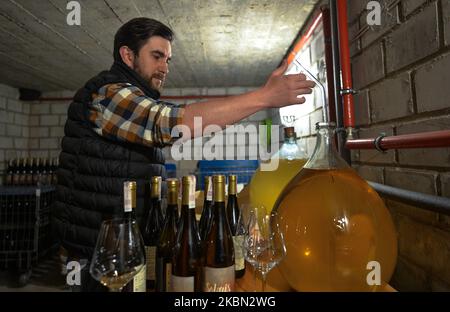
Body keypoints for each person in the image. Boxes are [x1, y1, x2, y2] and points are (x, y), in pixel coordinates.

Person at [53, 17, 315, 291]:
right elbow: (169, 122)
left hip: (125, 244)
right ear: (127, 55)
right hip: (99, 252)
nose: (164, 67)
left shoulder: (133, 96)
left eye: (168, 59)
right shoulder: (108, 95)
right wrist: (264, 97)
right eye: (157, 56)